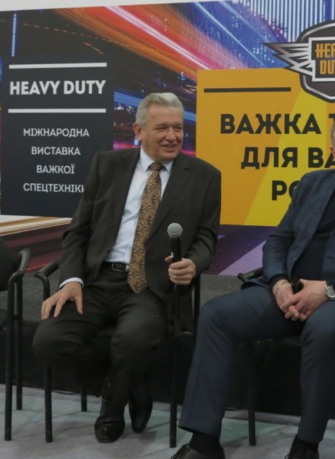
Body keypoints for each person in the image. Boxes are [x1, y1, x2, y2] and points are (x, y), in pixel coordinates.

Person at [172, 111, 335, 459]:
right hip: (288, 292)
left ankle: (306, 445)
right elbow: (278, 241)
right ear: (333, 151)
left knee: (323, 328)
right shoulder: (312, 182)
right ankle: (203, 441)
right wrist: (278, 284)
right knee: (216, 315)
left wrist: (329, 288)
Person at [33, 92, 221, 444]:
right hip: (96, 280)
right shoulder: (107, 164)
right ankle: (129, 387)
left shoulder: (205, 176)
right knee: (49, 341)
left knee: (134, 340)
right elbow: (78, 232)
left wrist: (193, 263)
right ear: (138, 130)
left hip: (152, 286)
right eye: (162, 128)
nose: (172, 136)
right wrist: (71, 279)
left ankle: (111, 409)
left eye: (178, 128)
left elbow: (207, 238)